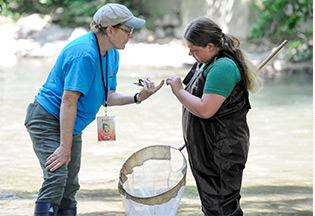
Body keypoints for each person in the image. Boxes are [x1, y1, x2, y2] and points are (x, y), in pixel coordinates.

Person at [24, 3, 163, 215]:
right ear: (110, 30)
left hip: (70, 122)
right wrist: (64, 146)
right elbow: (68, 101)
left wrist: (139, 97)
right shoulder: (84, 54)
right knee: (57, 176)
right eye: (128, 30)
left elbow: (107, 97)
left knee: (70, 185)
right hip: (47, 117)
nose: (131, 36)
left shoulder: (111, 53)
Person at [165, 17, 261, 215]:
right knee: (212, 206)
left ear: (210, 46)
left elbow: (205, 109)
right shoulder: (206, 62)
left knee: (222, 207)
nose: (190, 54)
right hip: (208, 149)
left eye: (194, 50)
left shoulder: (223, 67)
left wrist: (178, 90)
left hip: (221, 151)